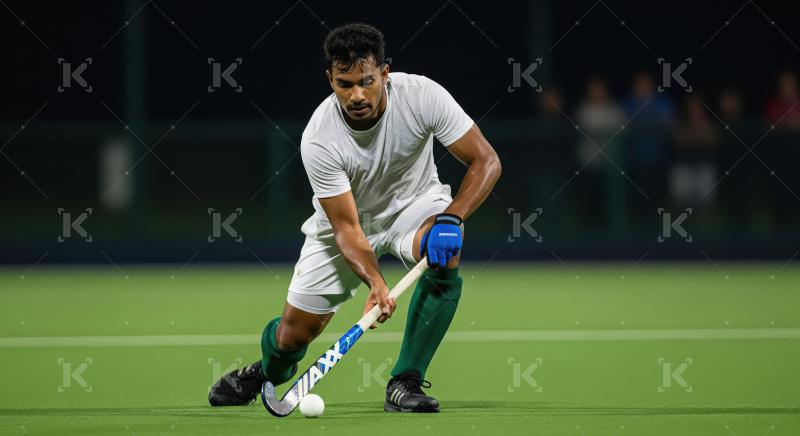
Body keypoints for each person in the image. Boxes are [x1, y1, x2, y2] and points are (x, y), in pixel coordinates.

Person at [208, 23, 501, 413]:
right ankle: (267, 370)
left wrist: (453, 217)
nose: (357, 95)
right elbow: (346, 228)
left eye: (366, 81)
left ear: (384, 72)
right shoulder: (319, 137)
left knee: (445, 253)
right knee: (291, 338)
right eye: (345, 84)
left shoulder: (422, 96)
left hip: (413, 205)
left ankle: (405, 381)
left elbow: (487, 160)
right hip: (342, 226)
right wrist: (376, 283)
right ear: (330, 79)